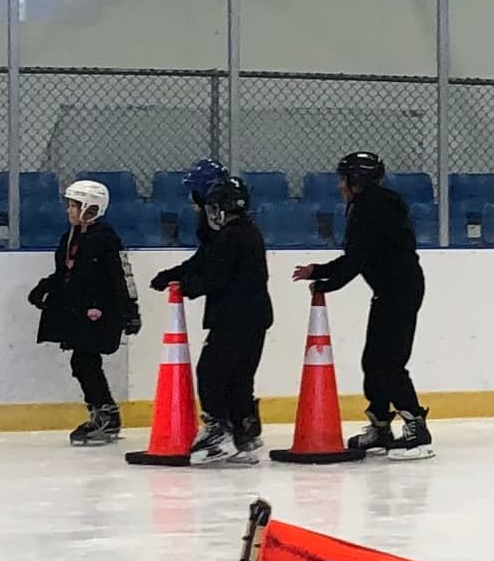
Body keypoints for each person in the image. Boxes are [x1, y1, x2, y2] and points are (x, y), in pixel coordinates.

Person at [295, 149, 429, 455]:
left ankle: (415, 425)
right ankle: (381, 425)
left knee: (388, 361)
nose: (340, 187)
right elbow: (357, 255)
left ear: (357, 180)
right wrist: (320, 272)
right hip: (391, 290)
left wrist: (327, 283)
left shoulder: (373, 207)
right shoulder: (372, 204)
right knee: (374, 361)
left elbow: (358, 257)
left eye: (344, 179)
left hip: (400, 290)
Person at [149, 162, 274, 461]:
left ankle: (218, 430)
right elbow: (207, 260)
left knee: (212, 371)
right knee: (239, 377)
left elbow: (215, 274)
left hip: (236, 316)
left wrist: (186, 285)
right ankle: (245, 434)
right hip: (251, 316)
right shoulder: (242, 231)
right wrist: (175, 274)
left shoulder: (231, 236)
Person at [27, 178, 138, 447]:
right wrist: (43, 288)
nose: (68, 211)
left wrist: (131, 310)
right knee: (83, 362)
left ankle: (105, 414)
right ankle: (103, 412)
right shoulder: (71, 237)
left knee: (84, 362)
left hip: (101, 311)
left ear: (90, 208)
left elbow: (121, 274)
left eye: (73, 206)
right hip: (78, 311)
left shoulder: (106, 238)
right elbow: (66, 271)